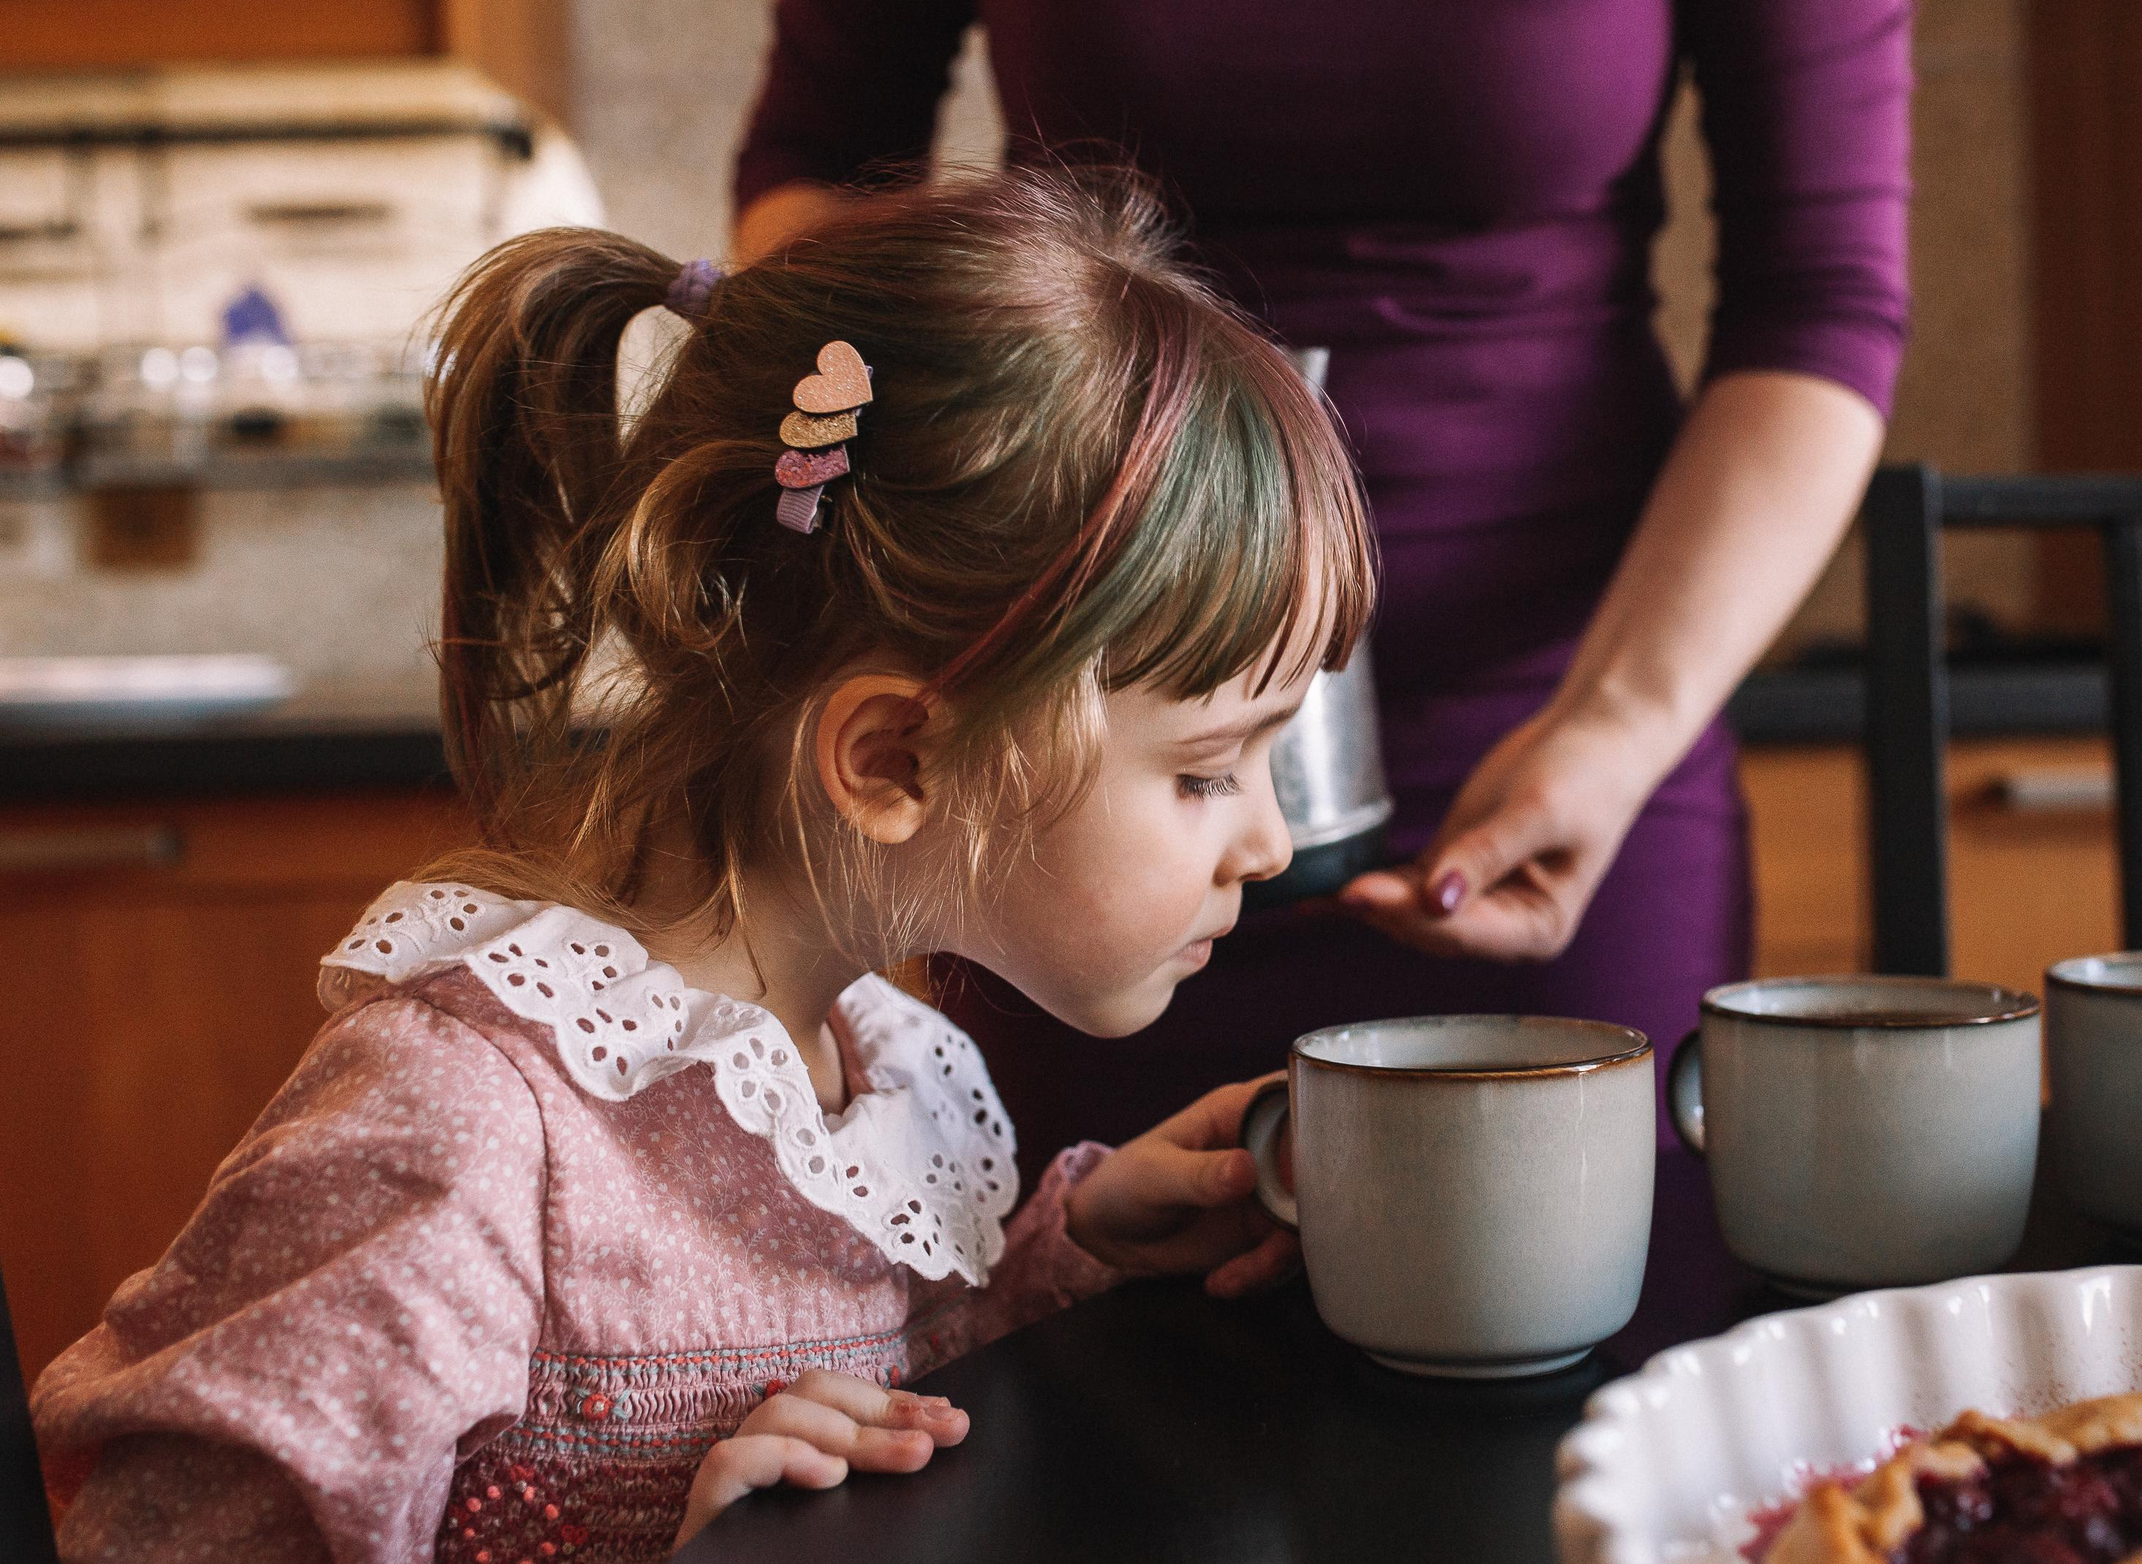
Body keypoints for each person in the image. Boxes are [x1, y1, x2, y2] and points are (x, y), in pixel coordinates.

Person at [32, 166, 1372, 1563]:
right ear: (894, 761)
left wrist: (1071, 1250)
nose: (1269, 840)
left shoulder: (895, 1073)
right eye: (1210, 769)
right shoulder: (469, 1131)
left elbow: (885, 1378)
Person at [732, 0, 1912, 1161]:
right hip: (1082, 753)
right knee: (1066, 1314)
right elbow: (813, 188)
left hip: (1565, 733)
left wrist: (1613, 728)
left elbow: (1822, 297)